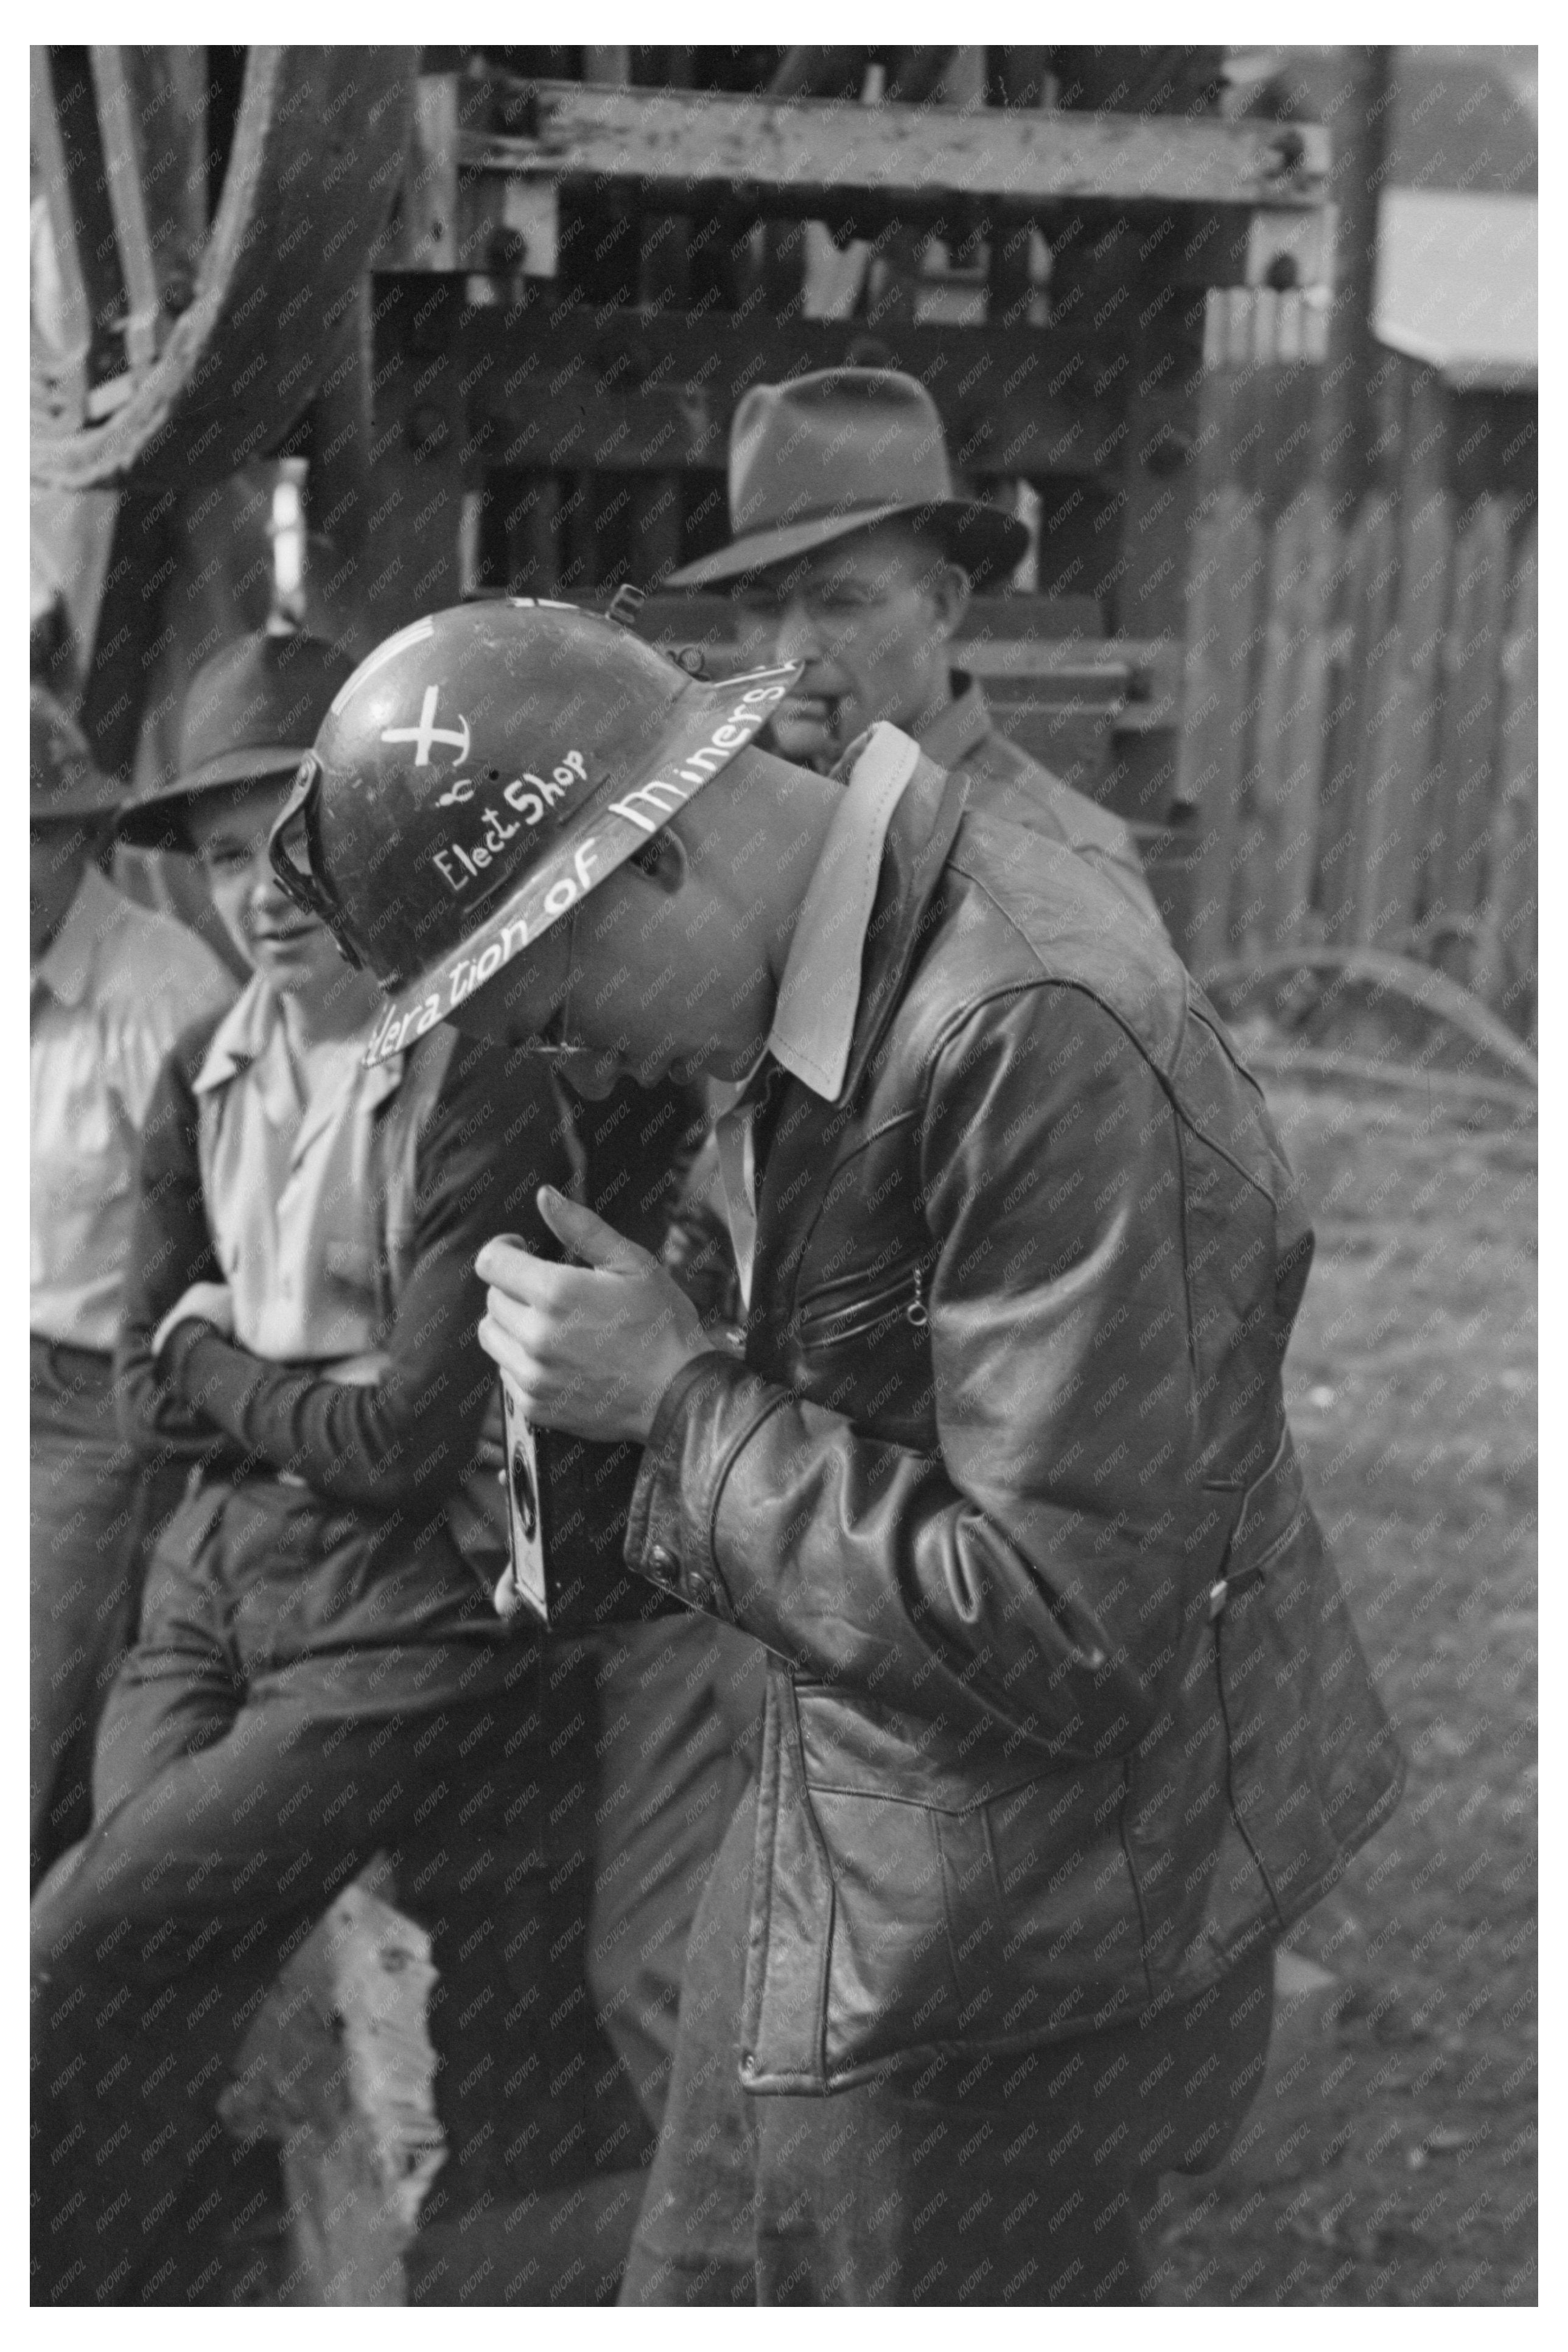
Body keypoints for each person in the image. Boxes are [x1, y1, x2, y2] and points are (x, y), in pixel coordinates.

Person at [281, 597, 1407, 2307]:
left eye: (561, 1010)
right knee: (709, 2281)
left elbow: (1074, 1624)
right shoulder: (837, 936)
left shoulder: (1033, 1030)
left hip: (1033, 1933)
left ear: (648, 859)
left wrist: (676, 1403)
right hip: (861, 1812)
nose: (578, 1061)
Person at [29, 631, 736, 2305]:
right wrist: (268, 1385)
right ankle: (130, 2277)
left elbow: (405, 1433)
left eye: (292, 836)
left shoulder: (476, 1066)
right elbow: (141, 1400)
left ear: (370, 839)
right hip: (212, 1582)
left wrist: (223, 1359)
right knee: (161, 1956)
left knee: (74, 1929)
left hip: (392, 1618)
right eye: (215, 856)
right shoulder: (210, 1070)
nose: (259, 891)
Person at [665, 365, 1164, 926]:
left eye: (841, 601)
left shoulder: (1058, 866)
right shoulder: (724, 835)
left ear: (944, 605)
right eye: (763, 604)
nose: (790, 650)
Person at [29, 687, 236, 1884]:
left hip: (95, 1411)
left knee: (44, 1725)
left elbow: (224, 1249)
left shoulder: (160, 995)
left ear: (71, 843)